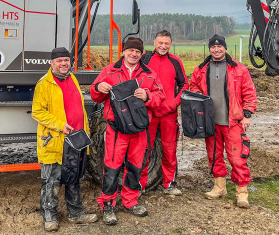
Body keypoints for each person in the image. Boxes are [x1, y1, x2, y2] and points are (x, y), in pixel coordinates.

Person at [90, 37, 165, 225]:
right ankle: (108, 204)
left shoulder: (149, 74)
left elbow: (160, 96)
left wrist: (148, 96)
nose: (134, 54)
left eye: (138, 52)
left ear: (142, 54)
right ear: (123, 52)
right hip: (116, 127)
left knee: (135, 167)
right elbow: (95, 94)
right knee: (112, 166)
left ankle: (131, 201)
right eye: (131, 51)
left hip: (139, 128)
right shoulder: (110, 71)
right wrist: (100, 87)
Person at [32, 47, 98, 232]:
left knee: (73, 177)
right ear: (52, 63)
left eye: (66, 61)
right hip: (54, 140)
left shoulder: (72, 78)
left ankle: (76, 214)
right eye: (59, 61)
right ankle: (49, 216)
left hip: (75, 139)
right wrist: (60, 125)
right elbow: (37, 112)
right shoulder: (44, 84)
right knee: (51, 180)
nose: (63, 64)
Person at [189, 34, 257, 208]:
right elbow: (193, 86)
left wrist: (247, 115)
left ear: (225, 48)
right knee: (214, 156)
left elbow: (249, 93)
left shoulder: (239, 69)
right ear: (210, 49)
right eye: (213, 47)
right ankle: (219, 187)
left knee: (237, 158)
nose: (216, 49)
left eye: (219, 47)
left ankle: (242, 193)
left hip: (233, 122)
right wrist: (198, 98)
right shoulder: (201, 69)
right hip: (210, 122)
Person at [139, 30, 188, 195]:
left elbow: (184, 85)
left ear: (170, 44)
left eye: (166, 43)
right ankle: (140, 185)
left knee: (169, 149)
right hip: (148, 112)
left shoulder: (175, 62)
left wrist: (175, 103)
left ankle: (169, 184)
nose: (163, 46)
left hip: (168, 113)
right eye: (160, 43)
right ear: (154, 42)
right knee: (144, 149)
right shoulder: (145, 59)